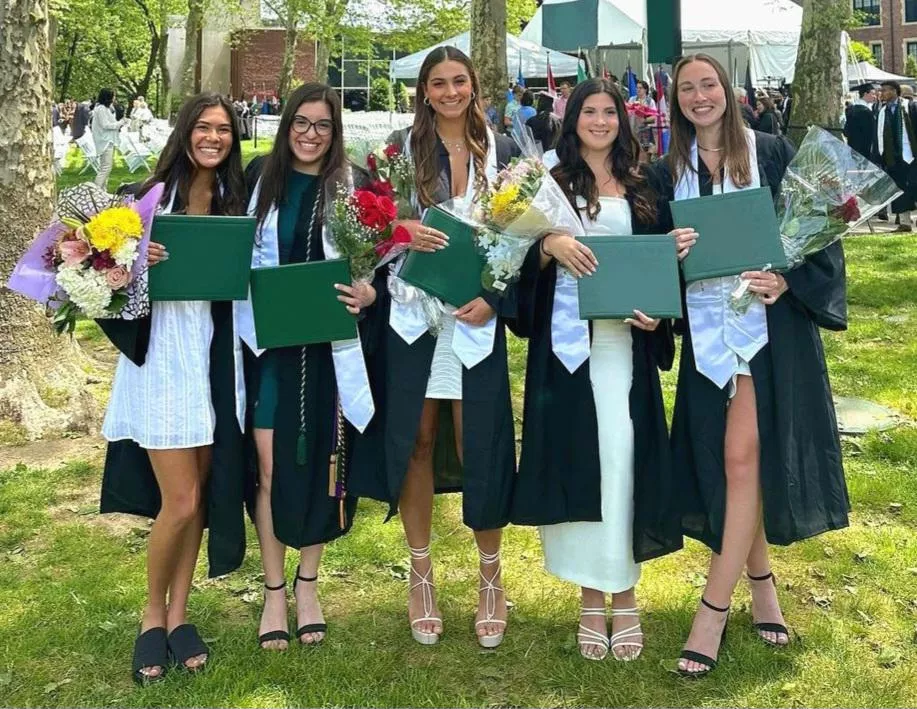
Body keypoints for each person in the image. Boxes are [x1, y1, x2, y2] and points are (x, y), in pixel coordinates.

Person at [652, 53, 848, 678]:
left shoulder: (769, 153)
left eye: (708, 85)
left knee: (741, 456)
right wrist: (669, 252)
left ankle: (712, 609)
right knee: (739, 462)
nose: (699, 97)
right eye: (687, 89)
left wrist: (788, 283)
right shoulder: (667, 173)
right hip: (710, 337)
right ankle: (761, 582)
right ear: (676, 100)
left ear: (728, 92)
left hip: (770, 331)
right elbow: (656, 262)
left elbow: (819, 235)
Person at [350, 45, 520, 649]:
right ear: (424, 90)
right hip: (412, 313)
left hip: (474, 311)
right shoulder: (398, 151)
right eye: (438, 83)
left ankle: (491, 578)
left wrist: (496, 297)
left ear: (474, 87)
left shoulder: (502, 150)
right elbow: (366, 226)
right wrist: (402, 227)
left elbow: (523, 235)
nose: (449, 92)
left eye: (459, 81)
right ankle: (420, 573)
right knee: (418, 438)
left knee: (480, 438)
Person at [510, 78, 682, 661]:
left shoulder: (648, 182)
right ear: (572, 117)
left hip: (625, 348)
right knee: (583, 460)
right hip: (568, 351)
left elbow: (664, 265)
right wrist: (547, 245)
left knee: (625, 460)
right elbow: (513, 260)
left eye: (610, 112)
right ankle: (590, 595)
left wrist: (660, 316)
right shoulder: (547, 182)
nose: (601, 121)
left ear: (623, 120)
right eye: (590, 111)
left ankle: (626, 594)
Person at [97, 92, 249, 684]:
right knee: (179, 501)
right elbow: (98, 283)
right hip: (161, 359)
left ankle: (181, 616)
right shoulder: (142, 200)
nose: (215, 137)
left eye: (225, 130)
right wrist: (136, 262)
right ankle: (150, 618)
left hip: (215, 357)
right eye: (205, 127)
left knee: (201, 499)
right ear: (186, 131)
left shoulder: (235, 200)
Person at [239, 83, 376, 651]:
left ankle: (309, 585)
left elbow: (378, 266)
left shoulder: (353, 185)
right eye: (301, 122)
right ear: (285, 122)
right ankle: (274, 592)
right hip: (269, 345)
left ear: (334, 129)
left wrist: (368, 293)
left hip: (327, 348)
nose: (310, 134)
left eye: (322, 125)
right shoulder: (256, 179)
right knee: (270, 470)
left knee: (323, 464)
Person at [876, 80, 917, 232]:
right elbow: (878, 136)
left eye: (885, 90)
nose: (881, 94)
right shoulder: (882, 111)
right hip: (893, 158)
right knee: (900, 190)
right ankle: (905, 223)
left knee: (914, 185)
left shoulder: (911, 107)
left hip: (911, 154)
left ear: (894, 91)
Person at [91, 88, 124, 189]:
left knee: (106, 167)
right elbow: (105, 125)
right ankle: (96, 190)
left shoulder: (107, 108)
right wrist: (120, 123)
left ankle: (103, 190)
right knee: (105, 168)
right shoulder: (100, 109)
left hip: (109, 140)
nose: (114, 98)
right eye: (113, 96)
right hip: (105, 140)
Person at [844, 83, 878, 161]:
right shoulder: (864, 111)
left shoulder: (852, 109)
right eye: (872, 94)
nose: (875, 97)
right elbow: (870, 133)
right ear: (866, 94)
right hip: (864, 149)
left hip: (853, 147)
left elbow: (846, 130)